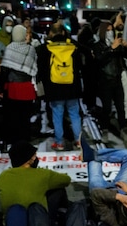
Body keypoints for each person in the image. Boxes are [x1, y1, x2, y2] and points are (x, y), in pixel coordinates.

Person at [39, 21, 82, 150]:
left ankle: (59, 143)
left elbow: (42, 69)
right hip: (72, 87)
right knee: (74, 114)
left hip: (55, 88)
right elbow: (79, 66)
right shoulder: (73, 47)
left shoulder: (46, 48)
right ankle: (78, 141)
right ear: (64, 32)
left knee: (57, 115)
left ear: (51, 33)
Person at [0, 141, 71, 215]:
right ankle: (62, 217)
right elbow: (66, 180)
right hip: (38, 222)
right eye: (35, 156)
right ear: (30, 160)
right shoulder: (42, 174)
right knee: (59, 189)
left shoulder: (3, 176)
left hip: (10, 222)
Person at [0, 25, 37, 146]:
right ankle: (25, 137)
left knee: (12, 115)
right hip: (27, 87)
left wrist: (0, 88)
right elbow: (34, 68)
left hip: (13, 87)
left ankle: (13, 139)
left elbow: (4, 70)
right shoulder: (30, 49)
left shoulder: (9, 48)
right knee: (25, 116)